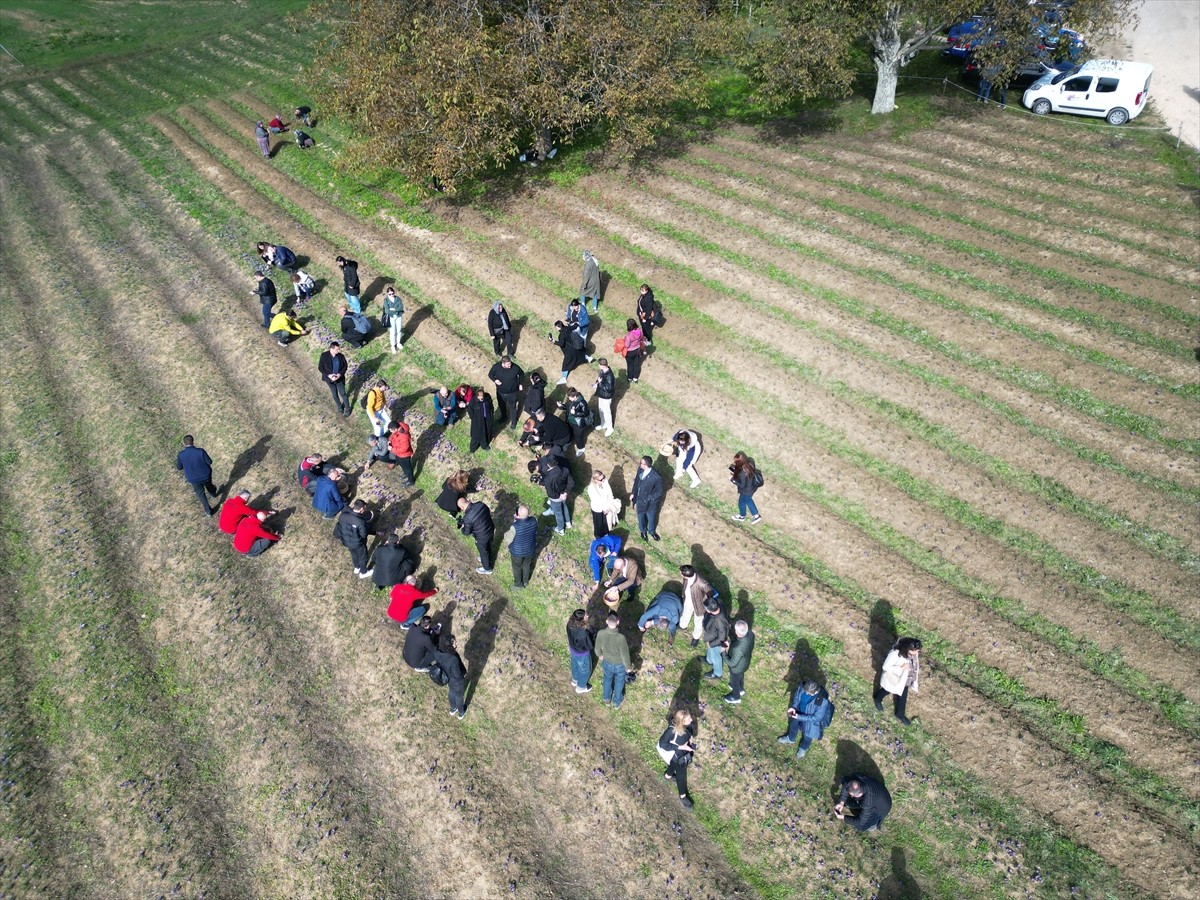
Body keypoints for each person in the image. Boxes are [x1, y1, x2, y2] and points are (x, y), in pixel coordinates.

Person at [874, 637, 921, 726]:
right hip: (895, 678)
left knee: (903, 694)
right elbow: (885, 667)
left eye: (917, 652)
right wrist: (900, 668)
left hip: (905, 679)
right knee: (888, 689)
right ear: (906, 648)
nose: (915, 655)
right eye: (912, 653)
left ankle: (900, 714)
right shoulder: (895, 654)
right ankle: (877, 698)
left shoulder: (913, 653)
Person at [779, 680, 833, 757]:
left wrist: (799, 717)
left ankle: (803, 748)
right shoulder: (803, 687)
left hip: (811, 721)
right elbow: (797, 697)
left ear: (815, 692)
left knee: (808, 736)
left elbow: (817, 718)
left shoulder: (822, 700)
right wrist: (794, 707)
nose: (806, 694)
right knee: (793, 726)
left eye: (808, 693)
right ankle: (790, 738)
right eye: (805, 691)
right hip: (799, 712)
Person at [657, 709, 697, 808]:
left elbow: (689, 730)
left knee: (672, 764)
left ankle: (668, 776)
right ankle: (682, 796)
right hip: (678, 757)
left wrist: (690, 737)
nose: (691, 720)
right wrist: (679, 747)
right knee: (680, 776)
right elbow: (662, 744)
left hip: (678, 755)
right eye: (689, 719)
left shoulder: (686, 725)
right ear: (682, 721)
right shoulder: (671, 731)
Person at [595, 613, 632, 709]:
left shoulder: (601, 633)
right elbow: (624, 655)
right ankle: (616, 702)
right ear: (618, 622)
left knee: (607, 679)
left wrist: (600, 655)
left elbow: (596, 649)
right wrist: (628, 667)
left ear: (606, 621)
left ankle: (606, 699)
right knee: (619, 682)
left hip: (607, 662)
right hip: (620, 665)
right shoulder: (621, 638)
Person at [176, 435, 220, 516]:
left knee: (200, 494)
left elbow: (179, 467)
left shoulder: (181, 455)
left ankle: (208, 511)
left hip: (193, 479)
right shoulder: (200, 451)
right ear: (193, 441)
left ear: (184, 443)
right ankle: (213, 493)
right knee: (209, 485)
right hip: (205, 475)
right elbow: (209, 462)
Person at [336, 499, 374, 578]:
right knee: (363, 556)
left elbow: (340, 526)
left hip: (346, 540)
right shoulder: (360, 521)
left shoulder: (343, 515)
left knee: (353, 553)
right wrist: (363, 540)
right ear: (361, 509)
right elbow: (364, 534)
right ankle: (363, 572)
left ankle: (357, 567)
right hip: (357, 543)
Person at [501, 505, 538, 588]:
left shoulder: (515, 526)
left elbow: (508, 539)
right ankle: (525, 581)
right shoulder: (534, 520)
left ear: (518, 515)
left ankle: (518, 584)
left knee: (517, 567)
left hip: (517, 552)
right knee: (526, 565)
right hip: (530, 550)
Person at [678, 565, 714, 649]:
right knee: (686, 613)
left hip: (699, 606)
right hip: (688, 601)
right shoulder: (687, 578)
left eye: (681, 573)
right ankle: (683, 625)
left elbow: (710, 594)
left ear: (685, 575)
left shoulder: (702, 583)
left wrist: (705, 604)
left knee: (698, 622)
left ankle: (696, 637)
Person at [457, 497, 495, 574]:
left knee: (483, 551)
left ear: (462, 507)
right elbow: (487, 512)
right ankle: (488, 558)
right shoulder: (480, 504)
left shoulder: (467, 518)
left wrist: (462, 528)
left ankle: (487, 569)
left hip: (481, 537)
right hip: (490, 529)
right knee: (488, 545)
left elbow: (466, 532)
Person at [629, 455, 664, 541]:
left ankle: (652, 532)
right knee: (640, 516)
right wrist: (633, 493)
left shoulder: (656, 477)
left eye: (641, 463)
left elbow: (659, 492)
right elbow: (637, 482)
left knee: (651, 518)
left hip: (650, 503)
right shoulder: (640, 470)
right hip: (639, 500)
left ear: (646, 465)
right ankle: (643, 531)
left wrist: (649, 498)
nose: (640, 464)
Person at [434, 632, 468, 719]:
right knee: (459, 696)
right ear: (449, 646)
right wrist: (462, 676)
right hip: (456, 681)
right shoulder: (453, 659)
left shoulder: (438, 651)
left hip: (447, 677)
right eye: (454, 642)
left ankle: (453, 708)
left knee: (451, 691)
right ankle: (461, 713)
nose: (457, 643)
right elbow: (457, 675)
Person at [540, 450, 573, 535]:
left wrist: (559, 496)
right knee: (564, 507)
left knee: (558, 514)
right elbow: (571, 482)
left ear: (548, 464)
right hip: (564, 495)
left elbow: (550, 493)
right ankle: (568, 523)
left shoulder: (547, 479)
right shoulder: (565, 470)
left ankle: (560, 529)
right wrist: (565, 493)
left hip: (555, 498)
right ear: (557, 462)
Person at [488, 356, 524, 429]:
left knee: (512, 407)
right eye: (508, 364)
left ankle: (514, 421)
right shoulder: (496, 367)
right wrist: (495, 380)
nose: (510, 365)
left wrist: (520, 383)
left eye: (510, 363)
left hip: (513, 393)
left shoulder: (515, 368)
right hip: (501, 392)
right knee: (502, 405)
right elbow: (490, 374)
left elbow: (521, 374)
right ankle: (504, 417)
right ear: (503, 363)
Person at [724, 620, 754, 704]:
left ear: (737, 632)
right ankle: (741, 688)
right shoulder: (751, 634)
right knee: (740, 676)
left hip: (736, 668)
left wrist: (723, 652)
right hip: (745, 662)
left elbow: (731, 663)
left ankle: (735, 696)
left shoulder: (737, 648)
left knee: (734, 681)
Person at [317, 342, 351, 417]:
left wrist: (339, 374)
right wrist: (329, 375)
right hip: (329, 379)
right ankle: (339, 407)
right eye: (337, 349)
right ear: (331, 349)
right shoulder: (324, 355)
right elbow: (320, 367)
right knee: (334, 394)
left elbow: (345, 366)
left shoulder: (341, 356)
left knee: (343, 394)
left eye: (339, 349)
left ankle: (348, 409)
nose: (338, 351)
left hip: (339, 379)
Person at [729, 451, 764, 524]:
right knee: (742, 502)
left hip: (747, 490)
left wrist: (733, 480)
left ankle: (756, 516)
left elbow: (742, 485)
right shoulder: (751, 461)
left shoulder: (742, 473)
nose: (735, 463)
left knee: (747, 500)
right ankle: (742, 516)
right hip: (752, 486)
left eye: (736, 462)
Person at [701, 597, 730, 680]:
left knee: (715, 655)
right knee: (710, 652)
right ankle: (709, 660)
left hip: (716, 641)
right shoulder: (718, 603)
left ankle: (717, 673)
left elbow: (721, 639)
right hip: (711, 636)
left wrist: (711, 644)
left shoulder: (720, 622)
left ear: (709, 610)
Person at [552, 318, 586, 386]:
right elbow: (575, 326)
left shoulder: (562, 335)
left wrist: (553, 341)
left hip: (569, 351)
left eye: (556, 327)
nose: (556, 329)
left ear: (559, 327)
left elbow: (561, 344)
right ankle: (587, 358)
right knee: (579, 356)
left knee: (565, 365)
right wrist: (573, 322)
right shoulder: (567, 328)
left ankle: (563, 378)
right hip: (575, 347)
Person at [587, 470, 619, 538]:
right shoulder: (591, 488)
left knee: (606, 523)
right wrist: (604, 508)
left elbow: (610, 493)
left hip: (607, 507)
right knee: (598, 525)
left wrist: (609, 504)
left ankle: (606, 534)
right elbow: (596, 501)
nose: (603, 480)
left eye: (603, 477)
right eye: (601, 479)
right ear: (595, 480)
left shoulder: (605, 482)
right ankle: (599, 538)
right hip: (597, 509)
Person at [387, 414, 416, 486]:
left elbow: (404, 449)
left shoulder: (404, 436)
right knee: (402, 465)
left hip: (404, 455)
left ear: (395, 429)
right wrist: (390, 440)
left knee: (408, 468)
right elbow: (393, 435)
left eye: (391, 430)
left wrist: (392, 449)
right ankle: (405, 474)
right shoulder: (398, 428)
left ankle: (411, 481)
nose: (390, 432)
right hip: (399, 454)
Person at [560, 388, 591, 456]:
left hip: (578, 424)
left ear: (574, 396)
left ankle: (581, 448)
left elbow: (585, 413)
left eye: (570, 398)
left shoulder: (582, 402)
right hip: (570, 421)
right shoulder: (571, 400)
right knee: (569, 432)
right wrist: (562, 406)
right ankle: (569, 442)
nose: (569, 399)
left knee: (578, 437)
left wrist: (575, 413)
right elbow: (568, 407)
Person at [591, 358, 615, 437]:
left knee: (607, 412)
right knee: (601, 410)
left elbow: (609, 389)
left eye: (599, 364)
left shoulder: (610, 376)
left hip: (606, 396)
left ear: (602, 365)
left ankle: (610, 427)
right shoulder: (602, 371)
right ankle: (603, 423)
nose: (598, 366)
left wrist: (600, 384)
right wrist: (596, 383)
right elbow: (599, 379)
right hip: (601, 394)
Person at [467, 387, 494, 453]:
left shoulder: (487, 397)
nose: (481, 398)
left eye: (482, 396)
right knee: (476, 435)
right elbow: (470, 409)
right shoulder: (474, 401)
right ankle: (473, 448)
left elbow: (491, 406)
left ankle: (484, 445)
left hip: (487, 419)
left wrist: (491, 414)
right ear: (477, 396)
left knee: (486, 432)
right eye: (479, 397)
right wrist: (473, 417)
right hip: (477, 421)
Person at [381, 285, 405, 353]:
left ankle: (398, 343)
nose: (391, 295)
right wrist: (395, 310)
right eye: (390, 294)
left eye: (392, 293)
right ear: (387, 294)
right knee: (393, 332)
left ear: (394, 292)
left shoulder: (398, 299)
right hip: (391, 318)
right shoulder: (386, 300)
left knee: (399, 330)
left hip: (398, 316)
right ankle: (393, 346)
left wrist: (393, 309)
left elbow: (401, 307)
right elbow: (387, 311)